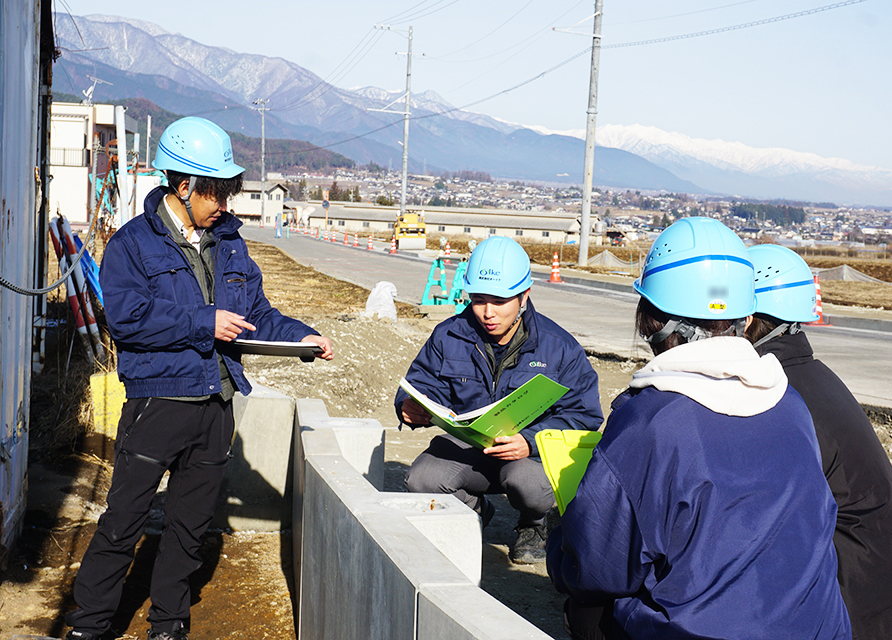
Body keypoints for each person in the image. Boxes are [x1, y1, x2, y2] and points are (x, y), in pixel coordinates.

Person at [65, 116, 334, 640]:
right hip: (158, 403)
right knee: (124, 521)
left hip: (217, 404)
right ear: (182, 185)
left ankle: (168, 624)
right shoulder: (132, 245)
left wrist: (302, 338)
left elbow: (258, 312)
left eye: (227, 192)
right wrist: (200, 321)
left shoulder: (230, 243)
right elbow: (125, 318)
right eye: (214, 192)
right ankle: (90, 625)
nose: (224, 204)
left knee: (189, 528)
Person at [546, 217, 851, 640]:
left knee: (587, 608)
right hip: (817, 628)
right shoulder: (789, 403)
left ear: (653, 321)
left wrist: (560, 533)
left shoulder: (650, 423)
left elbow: (597, 565)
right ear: (744, 319)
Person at [745, 243, 892, 640]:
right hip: (887, 565)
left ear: (747, 320)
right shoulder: (808, 372)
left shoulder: (774, 391)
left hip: (858, 586)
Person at [396, 236, 603, 564]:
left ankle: (534, 524)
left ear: (524, 296)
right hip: (470, 450)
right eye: (478, 299)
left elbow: (585, 415)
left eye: (500, 300)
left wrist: (529, 441)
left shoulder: (558, 347)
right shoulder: (449, 336)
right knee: (421, 479)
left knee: (528, 484)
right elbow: (421, 383)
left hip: (526, 459)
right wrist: (409, 407)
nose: (487, 312)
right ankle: (474, 507)